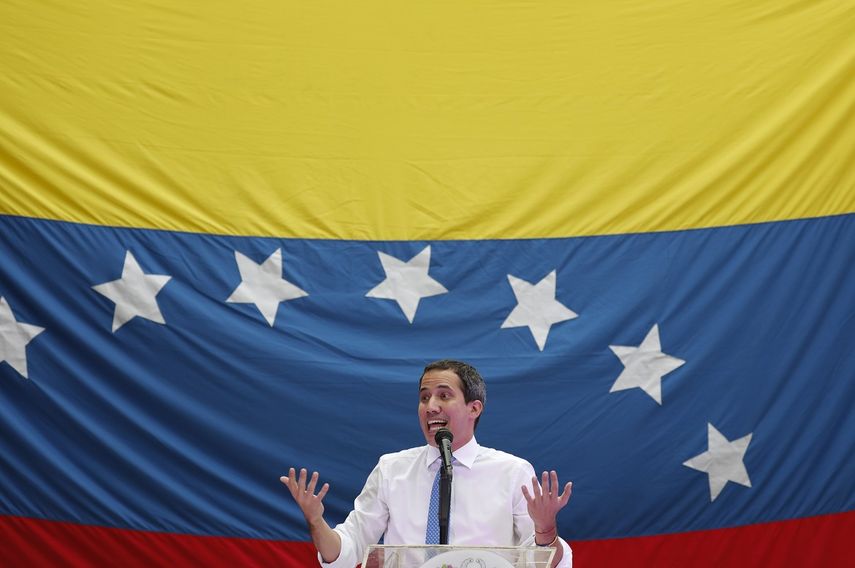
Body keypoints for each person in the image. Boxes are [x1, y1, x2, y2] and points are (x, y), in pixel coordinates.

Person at [281, 359, 573, 567]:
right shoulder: (391, 469)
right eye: (424, 397)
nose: (430, 406)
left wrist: (546, 528)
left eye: (443, 395)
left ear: (474, 408)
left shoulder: (512, 472)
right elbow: (347, 551)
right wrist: (316, 522)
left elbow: (541, 563)